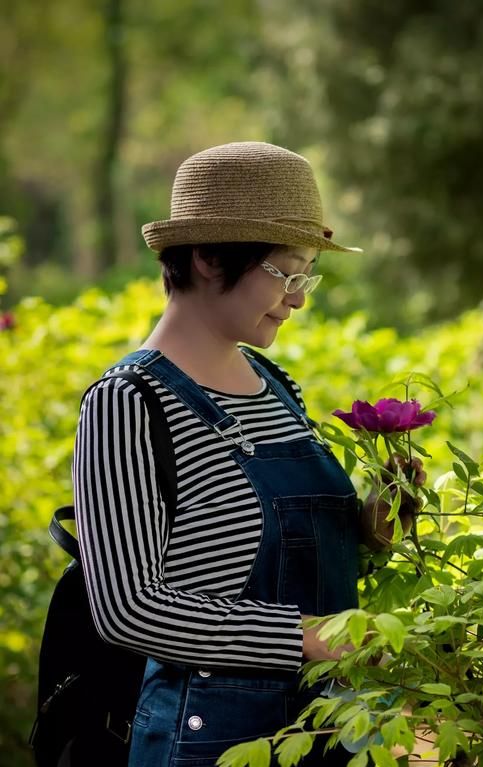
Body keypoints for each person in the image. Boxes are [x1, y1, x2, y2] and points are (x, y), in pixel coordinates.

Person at [73, 141, 409, 767]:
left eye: (308, 275)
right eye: (286, 273)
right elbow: (127, 610)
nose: (299, 298)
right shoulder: (128, 402)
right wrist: (308, 637)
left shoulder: (275, 384)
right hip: (209, 740)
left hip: (333, 727)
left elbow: (293, 555)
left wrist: (375, 522)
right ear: (206, 257)